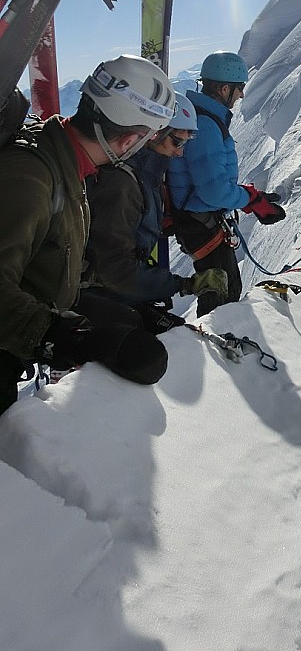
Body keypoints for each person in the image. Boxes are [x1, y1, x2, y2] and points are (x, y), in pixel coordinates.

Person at [0, 55, 177, 417]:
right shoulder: (32, 176)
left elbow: (54, 258)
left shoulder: (67, 163)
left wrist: (131, 310)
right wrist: (64, 336)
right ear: (129, 139)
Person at [84, 93, 228, 331]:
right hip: (105, 301)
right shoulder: (122, 183)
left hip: (121, 296)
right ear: (154, 134)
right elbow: (115, 270)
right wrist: (185, 285)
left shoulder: (149, 177)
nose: (180, 152)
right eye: (177, 142)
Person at [167, 51, 285, 318]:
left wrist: (247, 197)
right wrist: (250, 201)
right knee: (222, 298)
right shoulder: (206, 125)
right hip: (200, 221)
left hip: (199, 218)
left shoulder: (203, 117)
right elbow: (213, 190)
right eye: (239, 88)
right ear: (224, 88)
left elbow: (211, 180)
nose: (241, 95)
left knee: (223, 291)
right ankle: (217, 348)